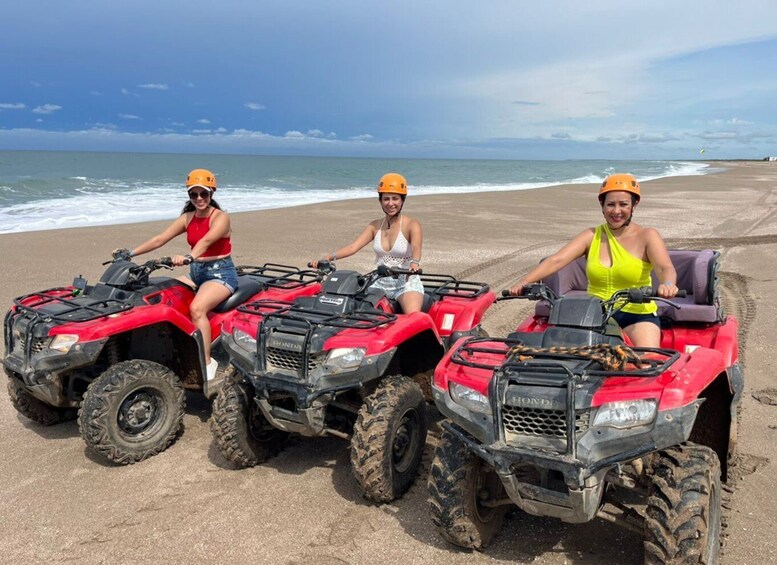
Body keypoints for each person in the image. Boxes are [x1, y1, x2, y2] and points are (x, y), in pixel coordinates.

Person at [508, 173, 678, 348]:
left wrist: (668, 283)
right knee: (567, 358)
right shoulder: (591, 235)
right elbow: (557, 260)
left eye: (624, 204)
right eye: (610, 204)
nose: (616, 211)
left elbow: (664, 267)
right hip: (594, 313)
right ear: (602, 206)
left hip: (636, 313)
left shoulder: (647, 235)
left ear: (635, 205)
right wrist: (524, 282)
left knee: (649, 358)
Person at [114, 168, 238, 380]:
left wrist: (189, 256)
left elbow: (206, 241)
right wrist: (130, 253)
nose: (199, 198)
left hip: (220, 274)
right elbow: (160, 239)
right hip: (196, 273)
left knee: (197, 309)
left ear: (212, 194)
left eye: (204, 194)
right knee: (162, 294)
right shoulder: (187, 218)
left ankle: (207, 363)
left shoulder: (221, 217)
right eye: (194, 194)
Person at [313, 172, 425, 313]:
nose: (390, 203)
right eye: (386, 199)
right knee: (358, 314)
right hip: (379, 283)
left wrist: (414, 263)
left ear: (402, 200)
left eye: (395, 198)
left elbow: (416, 246)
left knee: (412, 317)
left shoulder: (412, 224)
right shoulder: (374, 225)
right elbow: (354, 247)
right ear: (380, 201)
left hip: (406, 284)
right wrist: (329, 257)